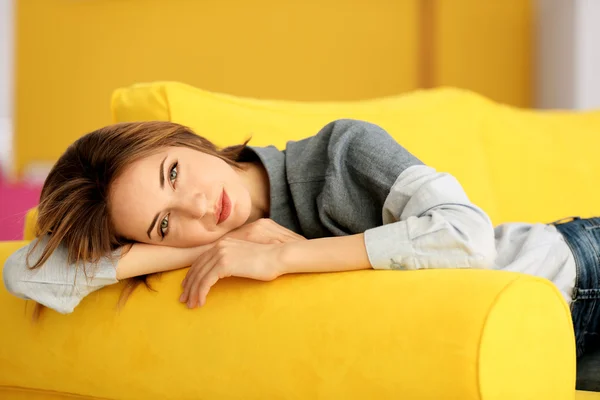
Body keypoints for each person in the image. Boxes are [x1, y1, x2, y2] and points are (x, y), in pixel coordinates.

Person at [2, 119, 599, 386]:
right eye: (163, 224)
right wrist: (204, 247)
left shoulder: (342, 152)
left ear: (183, 139)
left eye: (175, 173)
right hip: (540, 354)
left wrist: (286, 258)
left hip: (574, 271)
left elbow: (466, 236)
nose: (194, 208)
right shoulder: (217, 242)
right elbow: (30, 276)